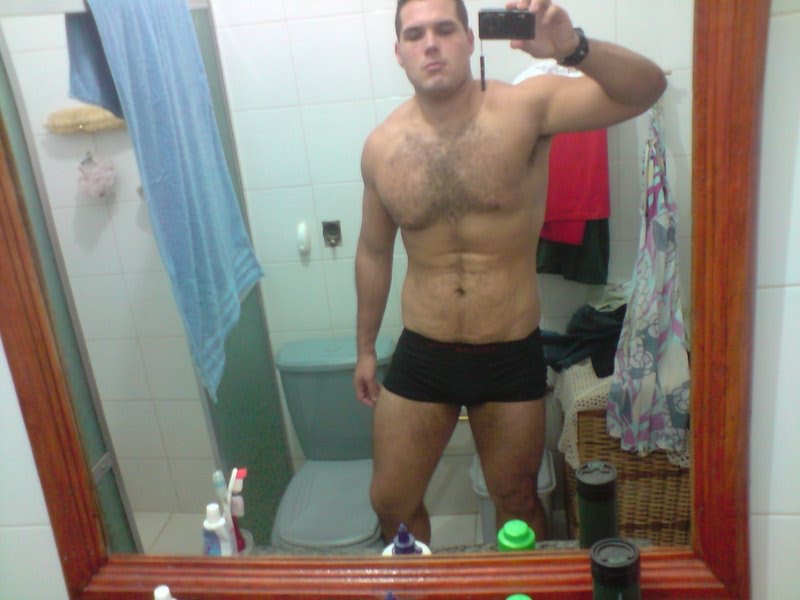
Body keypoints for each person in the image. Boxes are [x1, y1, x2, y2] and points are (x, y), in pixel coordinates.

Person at [354, 0, 666, 545]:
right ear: (398, 52)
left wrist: (573, 48)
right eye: (415, 34)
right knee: (391, 502)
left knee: (519, 500)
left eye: (444, 29)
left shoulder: (524, 108)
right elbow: (373, 252)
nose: (431, 43)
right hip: (423, 351)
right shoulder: (381, 147)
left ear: (469, 39)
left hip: (508, 351)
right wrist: (364, 349)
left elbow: (647, 88)